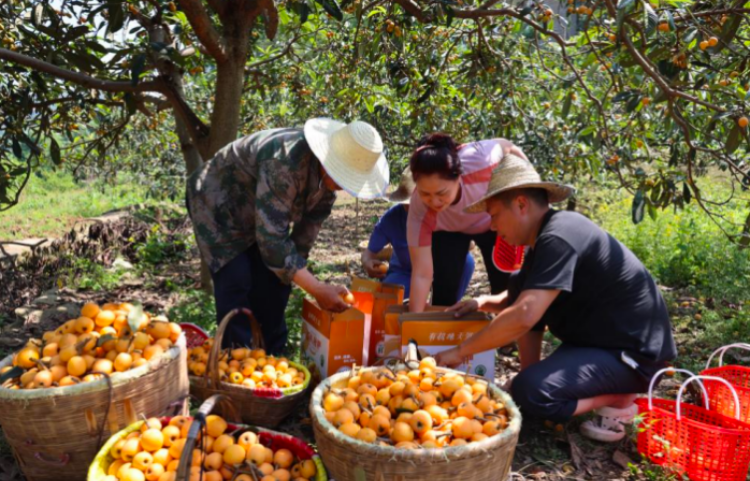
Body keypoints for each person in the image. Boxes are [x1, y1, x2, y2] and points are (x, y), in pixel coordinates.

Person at [436, 154, 676, 442]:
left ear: (521, 205)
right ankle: (532, 377)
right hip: (599, 346)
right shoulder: (542, 242)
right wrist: (483, 302)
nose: (492, 226)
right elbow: (519, 297)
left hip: (634, 356)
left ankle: (621, 397)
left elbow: (525, 313)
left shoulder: (559, 235)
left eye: (495, 215)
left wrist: (461, 351)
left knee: (533, 393)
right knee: (525, 386)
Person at [187, 119, 389, 354]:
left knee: (276, 282)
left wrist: (297, 278)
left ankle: (271, 357)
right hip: (217, 206)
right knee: (237, 280)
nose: (344, 186)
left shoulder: (326, 188)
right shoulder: (284, 162)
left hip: (259, 214)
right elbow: (272, 243)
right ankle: (238, 362)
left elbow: (300, 244)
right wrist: (316, 288)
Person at [406, 133, 527, 311]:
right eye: (426, 194)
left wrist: (530, 190)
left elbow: (508, 145)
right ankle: (442, 335)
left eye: (441, 193)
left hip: (492, 223)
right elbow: (422, 274)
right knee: (444, 291)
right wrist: (412, 324)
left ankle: (506, 336)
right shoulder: (418, 209)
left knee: (507, 286)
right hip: (448, 232)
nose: (434, 202)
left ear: (458, 177)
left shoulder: (480, 161)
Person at [361, 167, 475, 299]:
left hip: (440, 269)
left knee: (466, 261)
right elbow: (368, 253)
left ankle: (446, 306)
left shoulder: (444, 212)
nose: (412, 208)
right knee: (387, 299)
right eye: (407, 204)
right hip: (406, 272)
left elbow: (469, 245)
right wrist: (367, 262)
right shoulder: (393, 218)